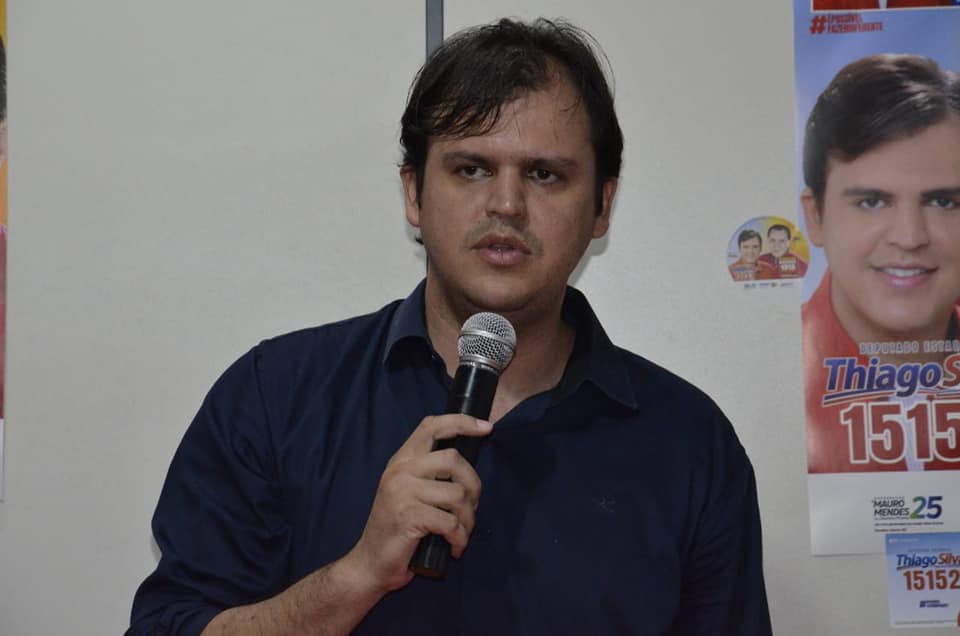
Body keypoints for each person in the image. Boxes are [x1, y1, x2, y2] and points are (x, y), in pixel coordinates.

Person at [128, 18, 771, 635]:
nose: (506, 204)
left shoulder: (690, 444)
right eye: (472, 169)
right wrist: (357, 576)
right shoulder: (275, 398)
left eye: (544, 174)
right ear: (414, 192)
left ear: (602, 205)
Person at [800, 53, 960, 473]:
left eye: (943, 202)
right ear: (815, 216)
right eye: (872, 202)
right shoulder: (771, 370)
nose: (909, 237)